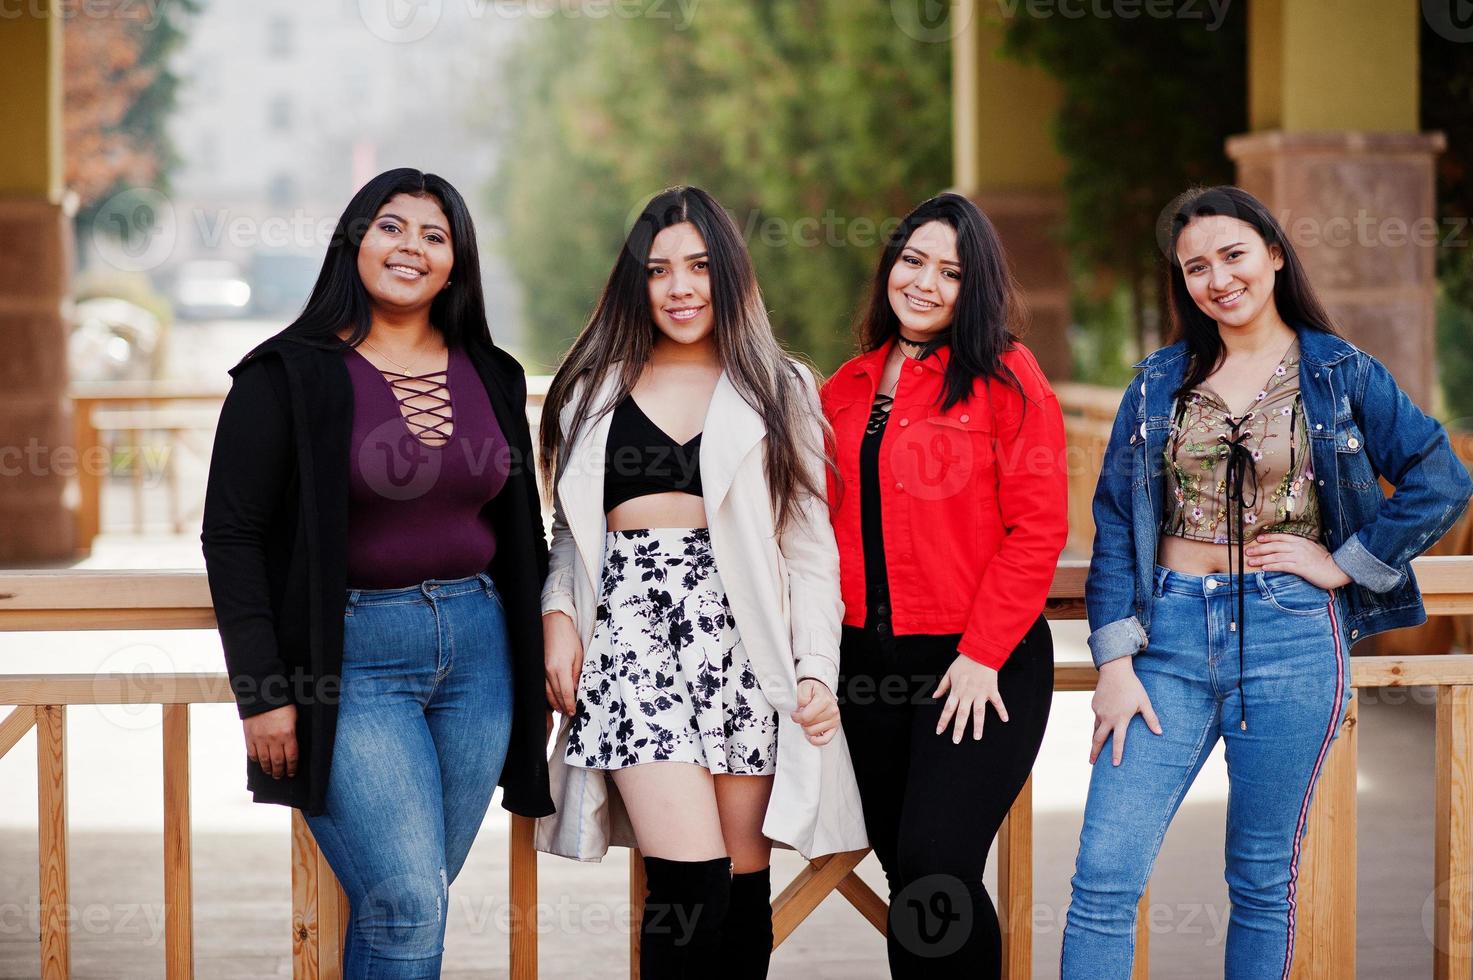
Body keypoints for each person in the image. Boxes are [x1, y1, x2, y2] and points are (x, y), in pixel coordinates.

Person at [1062, 184, 1473, 977]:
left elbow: (1439, 474)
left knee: (1259, 883)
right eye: (1194, 267)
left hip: (1290, 636)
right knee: (1103, 877)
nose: (1217, 278)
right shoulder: (1157, 382)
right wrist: (1114, 662)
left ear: (1274, 255)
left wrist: (1343, 564)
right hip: (1167, 645)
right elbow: (1116, 520)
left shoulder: (1336, 372)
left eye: (1232, 255)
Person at [201, 167, 553, 978]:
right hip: (351, 662)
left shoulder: (492, 372)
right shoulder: (284, 375)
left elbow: (520, 530)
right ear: (355, 240)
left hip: (481, 654)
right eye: (391, 227)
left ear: (456, 262)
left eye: (436, 236)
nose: (412, 248)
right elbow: (233, 537)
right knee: (406, 902)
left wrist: (533, 668)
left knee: (413, 898)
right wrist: (264, 694)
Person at [536, 185, 867, 979]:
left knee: (739, 885)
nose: (679, 287)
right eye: (658, 270)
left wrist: (818, 668)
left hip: (743, 646)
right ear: (635, 282)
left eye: (697, 266)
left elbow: (809, 549)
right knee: (684, 885)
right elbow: (567, 529)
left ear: (728, 275)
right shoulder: (592, 388)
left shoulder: (777, 386)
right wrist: (557, 613)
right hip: (630, 648)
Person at [821, 191, 1069, 977]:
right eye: (912, 260)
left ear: (976, 287)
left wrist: (982, 652)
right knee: (912, 877)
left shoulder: (1005, 377)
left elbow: (1037, 527)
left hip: (976, 670)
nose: (924, 282)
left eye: (950, 271)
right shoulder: (844, 387)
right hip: (863, 667)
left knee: (934, 860)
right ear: (889, 267)